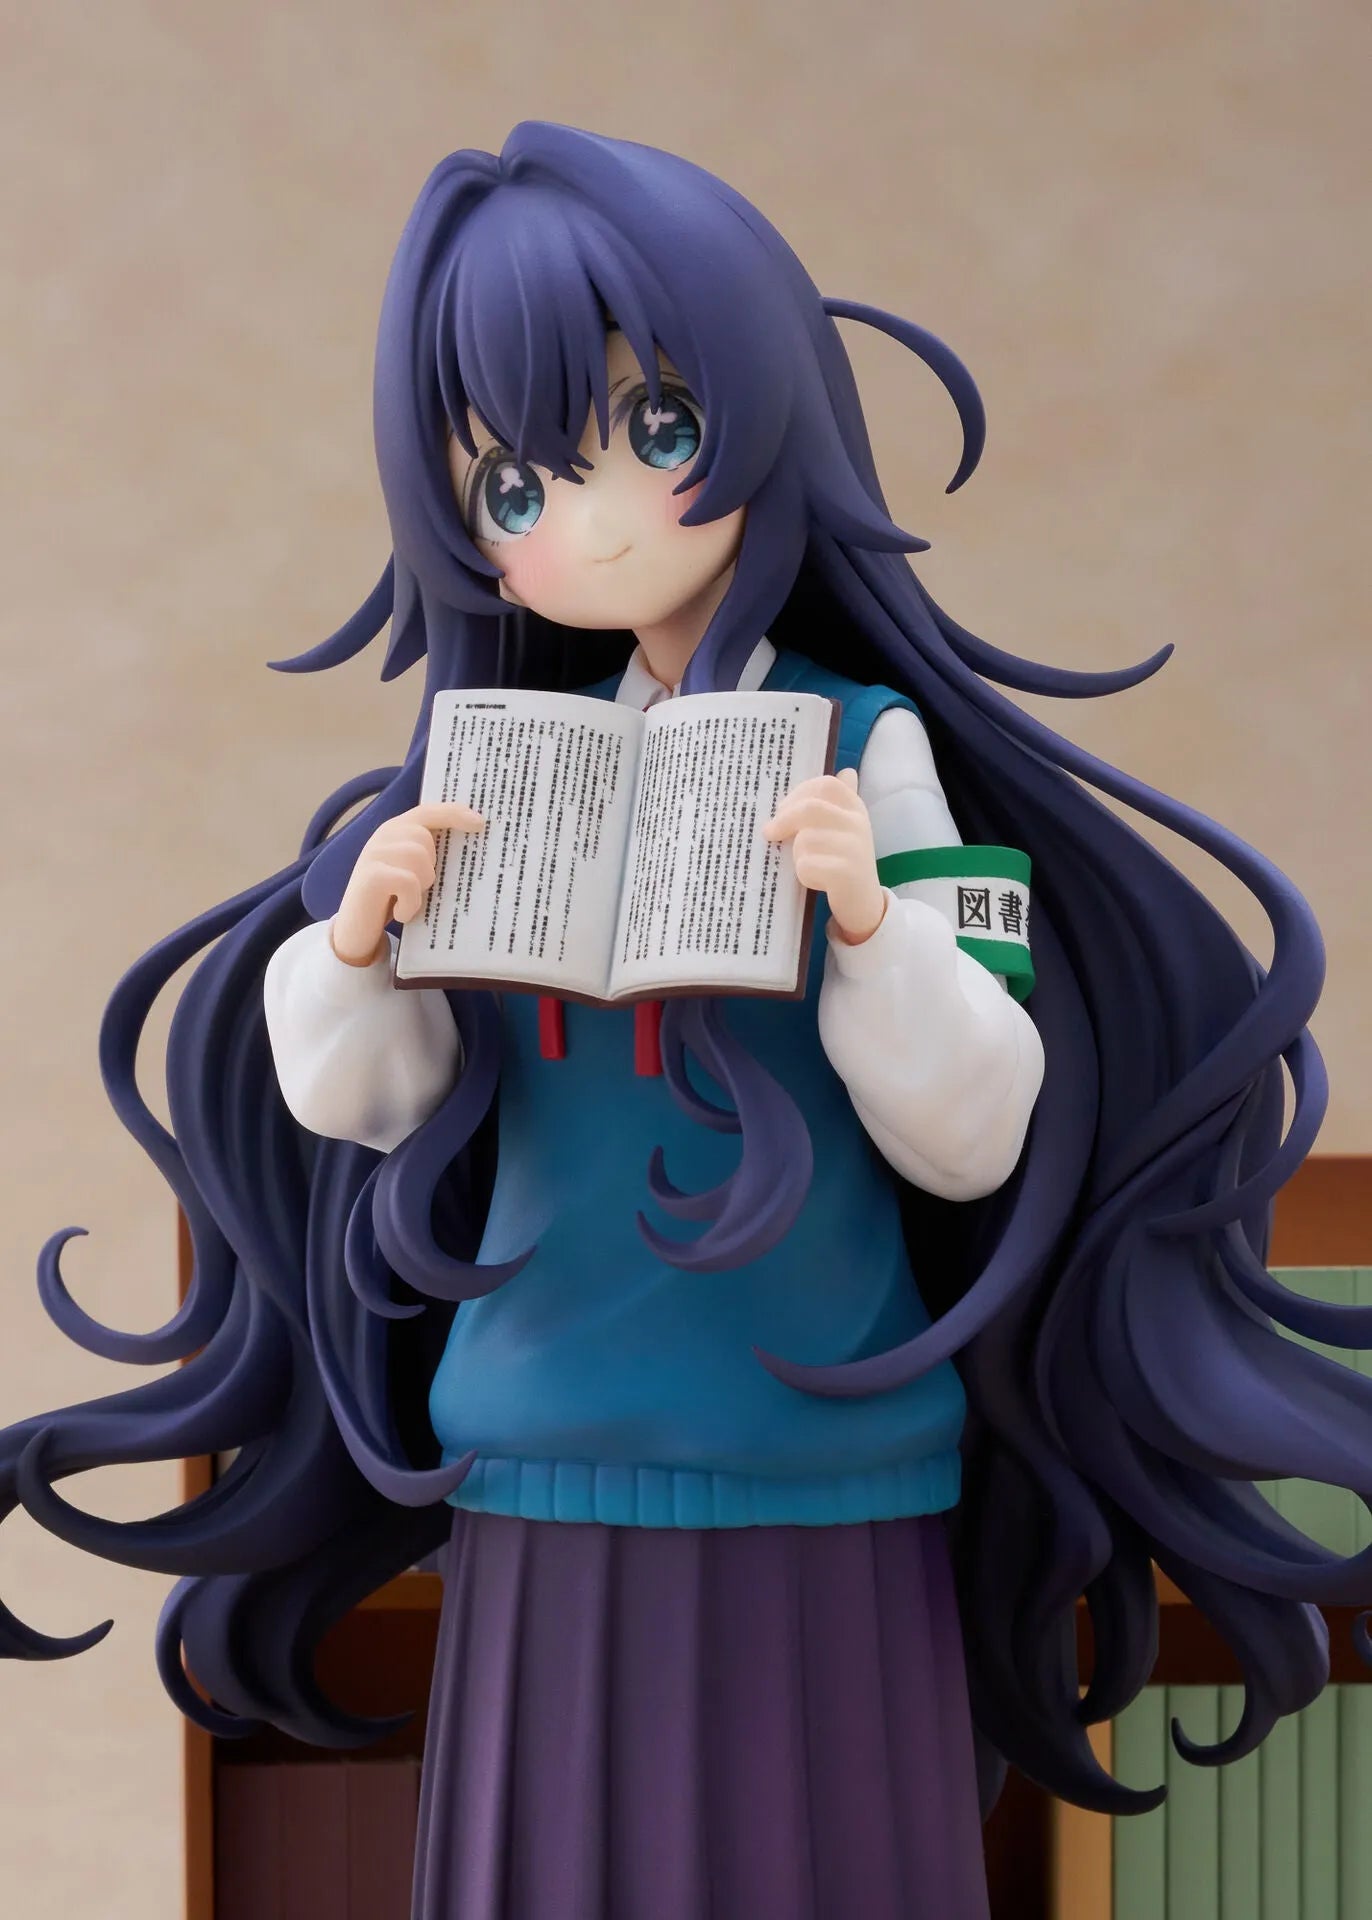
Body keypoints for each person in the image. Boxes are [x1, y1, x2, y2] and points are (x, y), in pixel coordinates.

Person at [4, 122, 1367, 1920]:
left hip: (814, 1428)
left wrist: (868, 919)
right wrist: (362, 939)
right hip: (542, 1424)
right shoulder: (497, 765)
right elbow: (376, 1105)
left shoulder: (869, 745)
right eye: (512, 487)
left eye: (654, 432)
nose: (589, 518)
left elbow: (974, 1129)